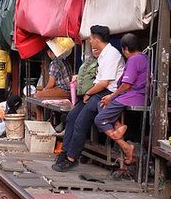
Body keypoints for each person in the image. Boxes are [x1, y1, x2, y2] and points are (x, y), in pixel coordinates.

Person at [53, 25, 125, 172]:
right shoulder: (104, 54)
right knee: (72, 116)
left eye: (91, 38)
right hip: (97, 91)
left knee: (81, 122)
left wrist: (88, 93)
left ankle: (72, 158)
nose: (90, 41)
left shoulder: (112, 54)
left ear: (97, 39)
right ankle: (65, 151)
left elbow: (105, 82)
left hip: (106, 93)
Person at [94, 33, 148, 165]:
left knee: (100, 119)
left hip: (132, 97)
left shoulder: (134, 60)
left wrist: (111, 96)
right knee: (101, 105)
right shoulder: (145, 57)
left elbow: (126, 85)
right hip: (135, 96)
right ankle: (118, 125)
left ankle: (125, 146)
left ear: (125, 49)